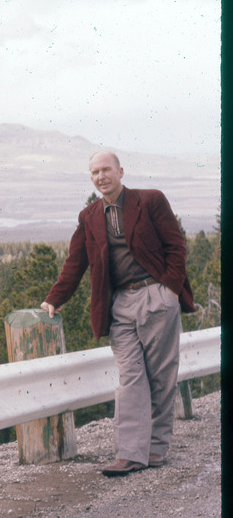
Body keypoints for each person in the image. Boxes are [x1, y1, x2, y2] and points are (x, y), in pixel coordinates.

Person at [40, 150, 195, 477]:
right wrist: (55, 298)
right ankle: (129, 453)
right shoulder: (89, 216)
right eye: (94, 172)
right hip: (119, 305)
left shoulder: (150, 200)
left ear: (120, 171)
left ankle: (156, 446)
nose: (100, 177)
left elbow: (176, 246)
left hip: (156, 295)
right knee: (129, 378)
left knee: (160, 376)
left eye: (106, 170)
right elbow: (75, 263)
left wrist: (168, 290)